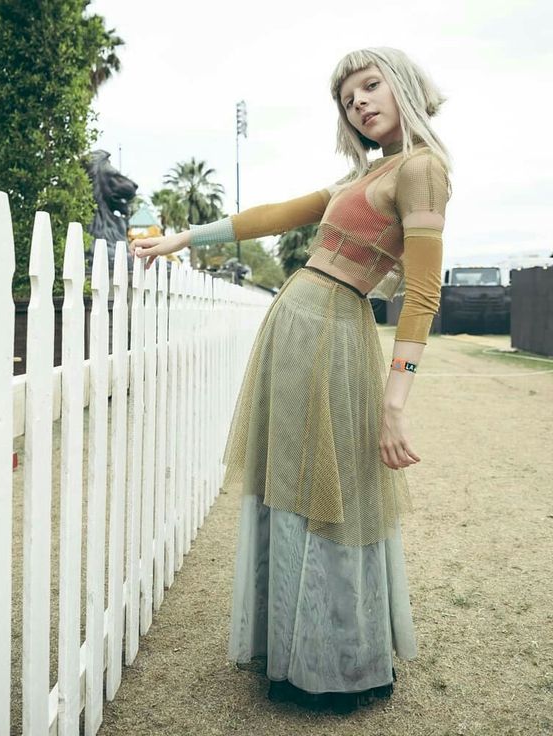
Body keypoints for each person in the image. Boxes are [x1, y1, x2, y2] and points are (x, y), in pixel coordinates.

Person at [129, 46, 451, 714]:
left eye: (370, 85)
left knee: (330, 491)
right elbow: (274, 213)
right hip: (299, 325)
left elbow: (422, 294)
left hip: (335, 328)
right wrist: (183, 239)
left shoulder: (422, 169)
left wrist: (396, 405)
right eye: (347, 97)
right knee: (297, 484)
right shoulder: (363, 175)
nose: (359, 102)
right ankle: (293, 649)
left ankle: (338, 662)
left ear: (406, 87)